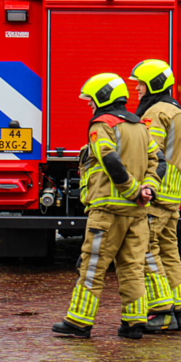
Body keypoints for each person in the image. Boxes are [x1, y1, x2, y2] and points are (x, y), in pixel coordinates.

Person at [52, 73, 164, 340]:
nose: (89, 104)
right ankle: (134, 323)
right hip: (137, 213)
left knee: (92, 266)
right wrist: (148, 189)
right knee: (132, 266)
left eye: (91, 99)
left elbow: (108, 159)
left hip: (108, 211)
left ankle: (79, 322)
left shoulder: (102, 125)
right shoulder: (139, 125)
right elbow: (158, 160)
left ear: (103, 97)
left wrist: (134, 191)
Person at [130, 59, 181, 333]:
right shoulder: (176, 110)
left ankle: (161, 311)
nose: (137, 90)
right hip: (172, 195)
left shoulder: (155, 113)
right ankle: (178, 306)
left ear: (153, 84)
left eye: (140, 84)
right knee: (169, 251)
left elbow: (149, 152)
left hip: (156, 195)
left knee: (146, 251)